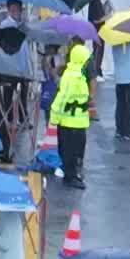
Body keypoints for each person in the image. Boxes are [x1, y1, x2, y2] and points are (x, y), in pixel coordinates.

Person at [49, 39, 93, 188]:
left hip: (77, 120)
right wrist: (54, 118)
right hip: (70, 122)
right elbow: (61, 98)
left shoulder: (76, 74)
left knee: (74, 149)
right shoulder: (72, 77)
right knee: (70, 151)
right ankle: (71, 176)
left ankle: (72, 174)